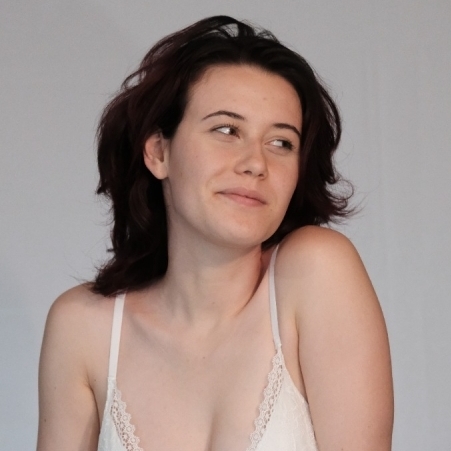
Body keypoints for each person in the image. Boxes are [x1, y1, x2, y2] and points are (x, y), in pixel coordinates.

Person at [37, 15, 393, 451]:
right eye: (227, 130)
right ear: (159, 152)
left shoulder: (317, 271)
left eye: (281, 142)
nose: (256, 163)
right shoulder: (82, 328)